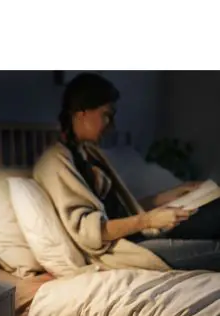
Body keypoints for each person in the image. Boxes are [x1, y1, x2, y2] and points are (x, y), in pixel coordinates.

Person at [33, 72, 220, 272]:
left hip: (140, 233)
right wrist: (148, 220)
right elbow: (90, 232)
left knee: (214, 213)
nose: (111, 126)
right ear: (82, 112)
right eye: (106, 115)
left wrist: (170, 195)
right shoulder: (55, 163)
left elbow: (121, 209)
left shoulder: (88, 153)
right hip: (120, 250)